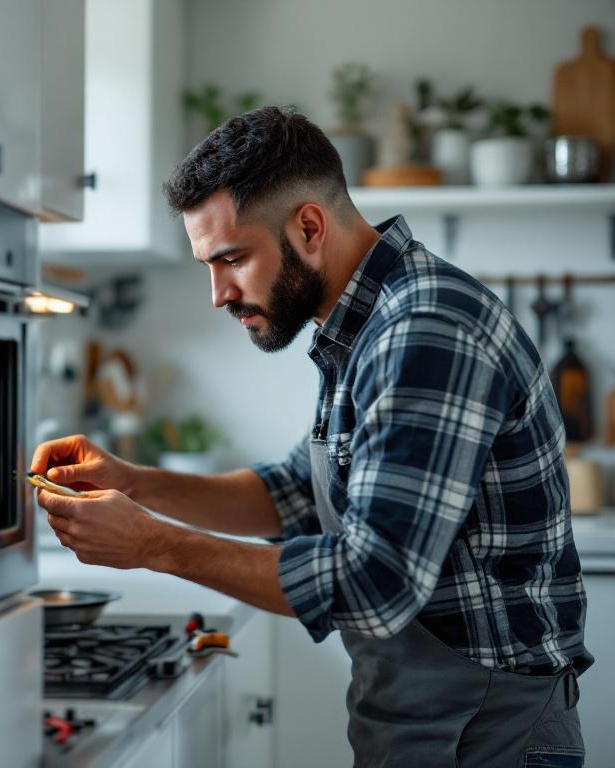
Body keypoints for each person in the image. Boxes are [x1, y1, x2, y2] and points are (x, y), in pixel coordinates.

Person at [31, 106, 592, 767]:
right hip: (428, 718)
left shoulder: (424, 329)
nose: (218, 293)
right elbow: (292, 493)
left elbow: (376, 580)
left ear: (307, 226)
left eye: (232, 258)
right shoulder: (362, 328)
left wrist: (153, 543)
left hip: (488, 730)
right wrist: (133, 481)